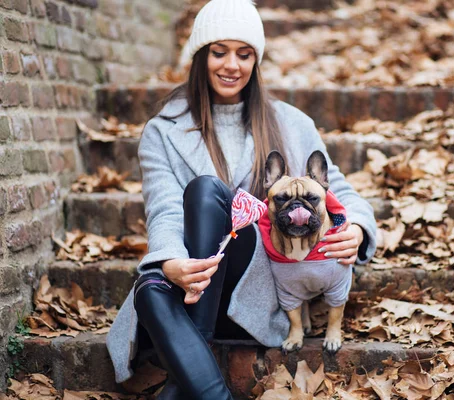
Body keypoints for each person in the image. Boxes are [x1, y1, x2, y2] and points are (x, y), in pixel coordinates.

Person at [106, 0, 377, 398]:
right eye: (219, 52)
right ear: (200, 56)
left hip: (258, 292)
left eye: (244, 54)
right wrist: (170, 262)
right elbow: (163, 208)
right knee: (151, 286)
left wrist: (355, 228)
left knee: (204, 195)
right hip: (192, 281)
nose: (232, 65)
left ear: (256, 61)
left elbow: (342, 191)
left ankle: (186, 375)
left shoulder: (292, 123)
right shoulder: (163, 131)